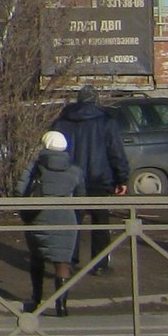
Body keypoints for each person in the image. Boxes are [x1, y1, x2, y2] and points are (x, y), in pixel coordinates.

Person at [53, 85, 131, 276]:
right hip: (99, 178)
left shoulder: (62, 121)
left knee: (72, 223)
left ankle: (69, 263)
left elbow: (53, 151)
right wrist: (122, 178)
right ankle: (100, 264)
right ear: (96, 100)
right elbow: (116, 153)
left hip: (70, 179)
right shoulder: (106, 122)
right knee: (100, 223)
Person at [16, 127, 83, 316]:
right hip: (66, 219)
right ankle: (61, 306)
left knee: (37, 258)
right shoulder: (75, 170)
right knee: (62, 262)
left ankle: (36, 301)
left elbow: (20, 190)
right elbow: (82, 197)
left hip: (39, 216)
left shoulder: (35, 167)